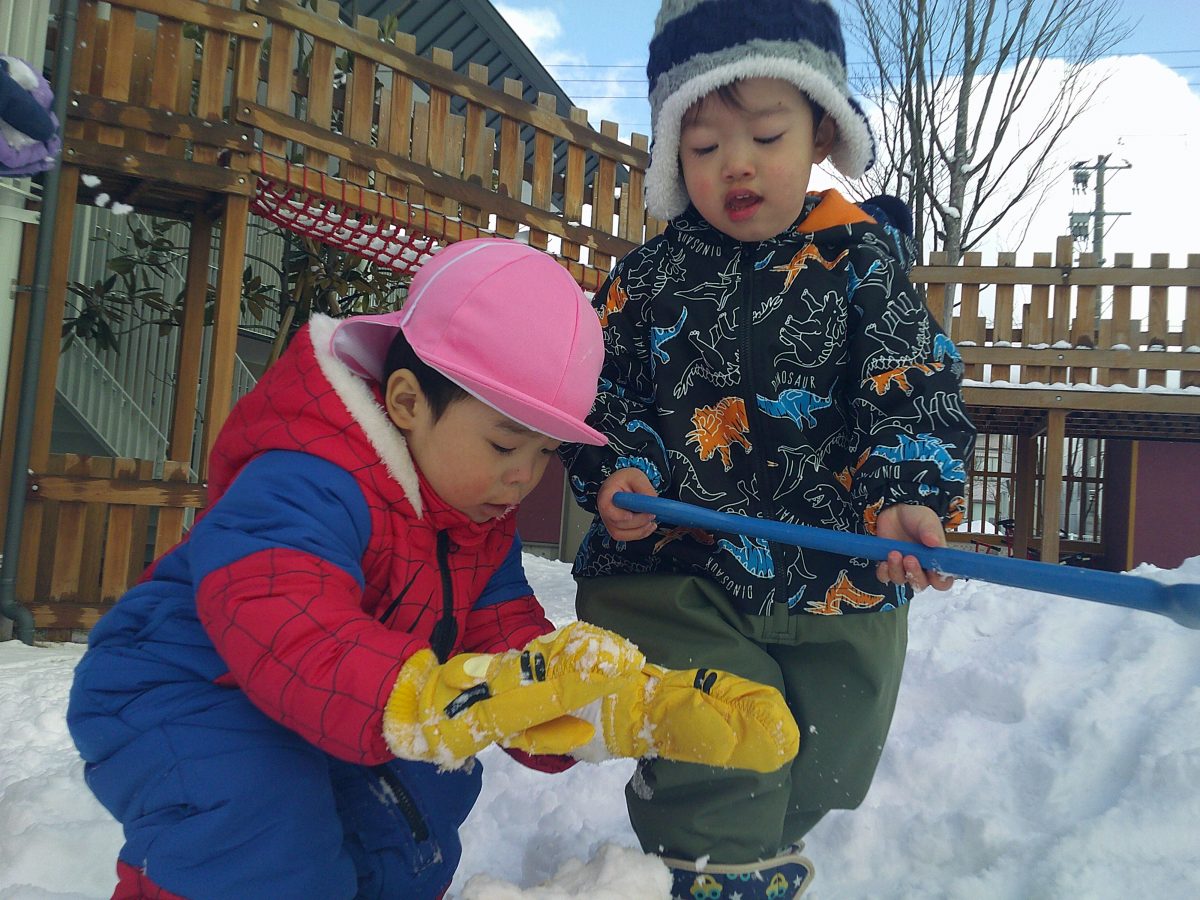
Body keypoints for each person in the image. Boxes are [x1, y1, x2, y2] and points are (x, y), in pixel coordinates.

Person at [67, 238, 801, 900]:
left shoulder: (472, 521)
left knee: (408, 823)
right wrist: (424, 699)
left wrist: (622, 705)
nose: (523, 477)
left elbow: (508, 645)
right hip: (189, 690)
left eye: (544, 454)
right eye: (505, 445)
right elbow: (284, 619)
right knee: (262, 844)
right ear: (408, 401)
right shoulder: (309, 475)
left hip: (346, 698)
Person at [560, 2, 978, 897]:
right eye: (704, 145)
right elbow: (599, 389)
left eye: (765, 134)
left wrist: (908, 492)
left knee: (828, 756)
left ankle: (748, 847)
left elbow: (912, 385)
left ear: (821, 130)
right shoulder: (649, 280)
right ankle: (707, 862)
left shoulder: (862, 264)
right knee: (723, 738)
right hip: (678, 568)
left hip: (837, 569)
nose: (736, 163)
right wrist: (620, 465)